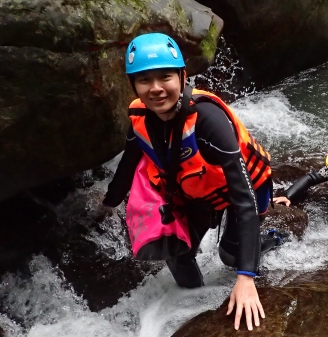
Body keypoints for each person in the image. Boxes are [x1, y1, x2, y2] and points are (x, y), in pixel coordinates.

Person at [100, 32, 284, 331]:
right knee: (176, 251)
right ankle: (197, 310)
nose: (156, 88)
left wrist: (246, 277)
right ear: (133, 85)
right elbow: (130, 162)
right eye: (144, 80)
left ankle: (272, 241)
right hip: (198, 192)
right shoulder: (140, 118)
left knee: (230, 256)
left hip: (244, 188)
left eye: (165, 77)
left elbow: (243, 197)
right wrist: (108, 204)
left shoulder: (208, 121)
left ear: (183, 76)